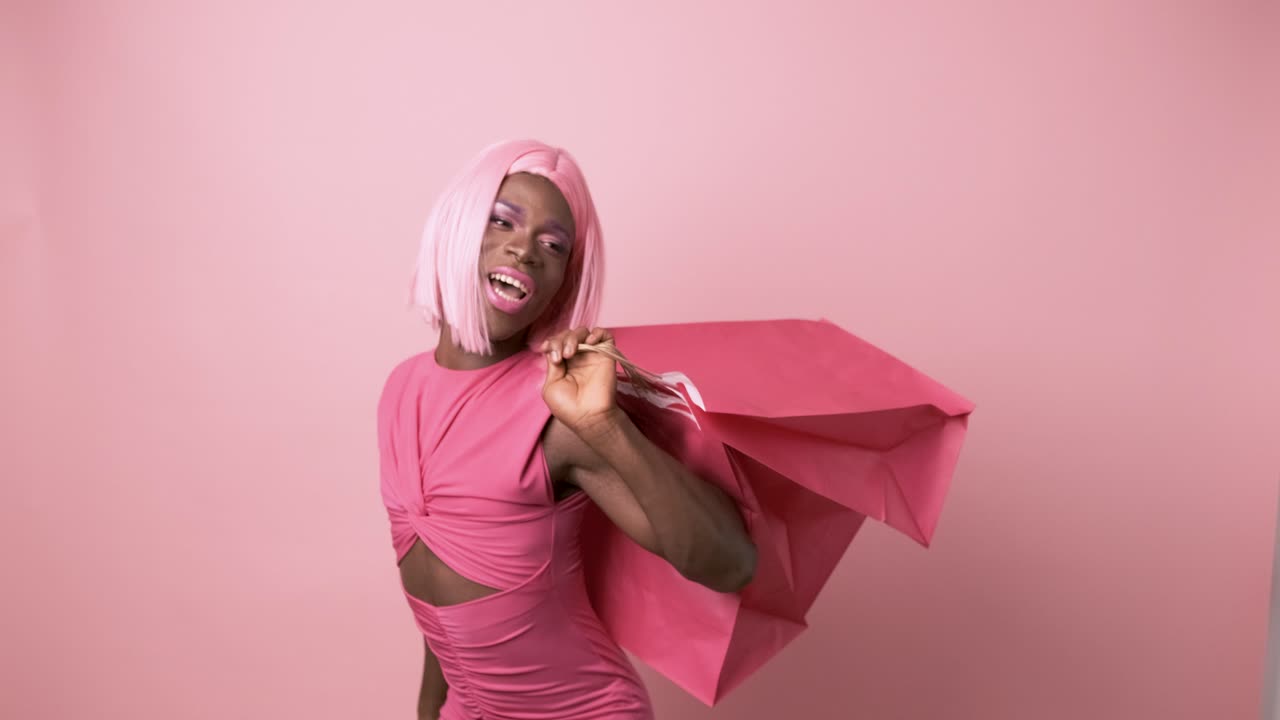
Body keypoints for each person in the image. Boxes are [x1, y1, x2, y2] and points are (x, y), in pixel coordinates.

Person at [377, 139, 758, 720]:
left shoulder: (558, 408)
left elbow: (730, 564)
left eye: (553, 246)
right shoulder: (400, 391)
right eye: (502, 221)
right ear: (456, 227)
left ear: (561, 281)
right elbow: (440, 609)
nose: (526, 250)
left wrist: (604, 426)